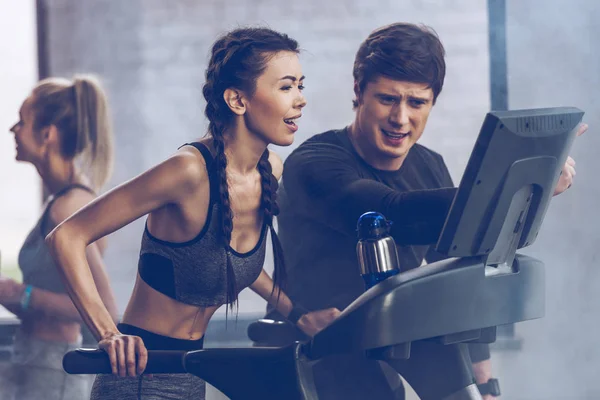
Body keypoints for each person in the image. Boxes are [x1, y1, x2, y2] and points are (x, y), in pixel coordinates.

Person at [268, 22, 585, 400]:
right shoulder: (315, 163)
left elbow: (455, 274)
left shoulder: (428, 165)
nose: (400, 118)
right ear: (359, 92)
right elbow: (392, 215)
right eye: (387, 99)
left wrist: (485, 384)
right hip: (316, 361)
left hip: (391, 349)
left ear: (432, 102)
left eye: (416, 102)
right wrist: (527, 184)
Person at [46, 27, 340, 400]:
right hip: (138, 380)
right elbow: (66, 237)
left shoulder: (270, 170)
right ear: (237, 100)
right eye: (285, 87)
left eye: (301, 85)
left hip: (190, 376)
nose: (300, 100)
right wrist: (108, 333)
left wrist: (300, 315)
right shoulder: (188, 171)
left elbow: (236, 264)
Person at [0, 75, 119, 400]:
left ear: (47, 134)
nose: (13, 130)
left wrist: (20, 294)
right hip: (34, 361)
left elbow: (105, 309)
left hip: (56, 373)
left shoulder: (69, 207)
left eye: (22, 121)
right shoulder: (59, 201)